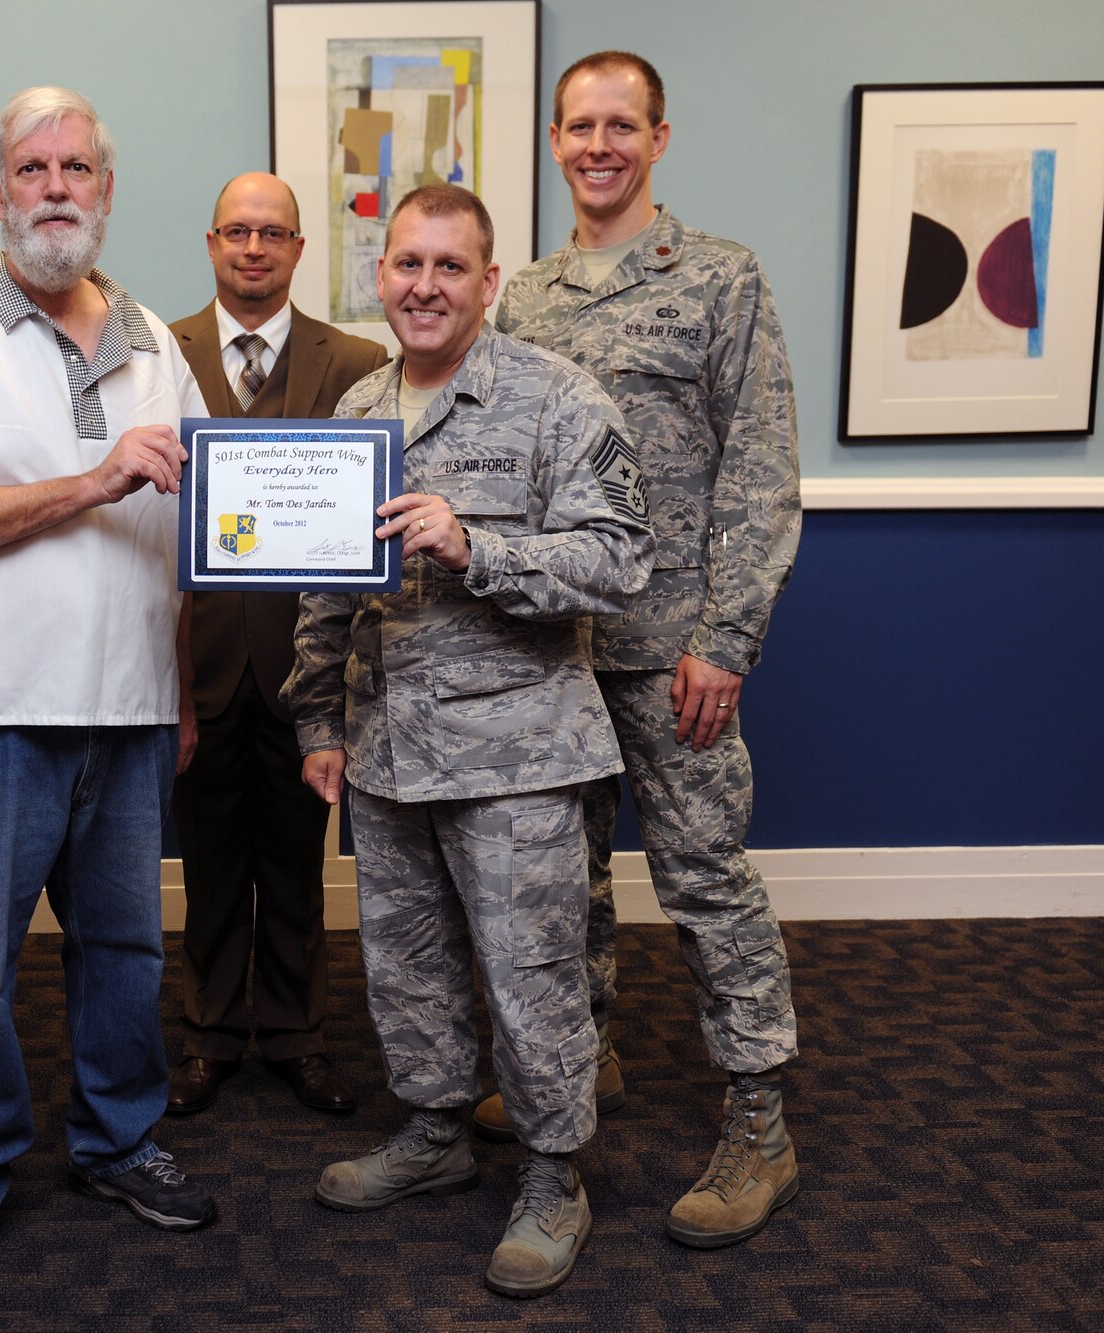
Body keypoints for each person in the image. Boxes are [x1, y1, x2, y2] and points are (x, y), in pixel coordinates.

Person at [0, 86, 215, 1303]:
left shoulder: (159, 343)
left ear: (105, 193)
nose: (55, 184)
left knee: (121, 948)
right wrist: (88, 479)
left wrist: (175, 688)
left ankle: (117, 1139)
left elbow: (205, 524)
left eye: (77, 166)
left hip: (122, 709)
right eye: (31, 166)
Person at [284, 185, 654, 1299]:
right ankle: (435, 1129)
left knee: (530, 976)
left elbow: (620, 558)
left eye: (451, 266)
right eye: (406, 264)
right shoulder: (354, 416)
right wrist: (314, 717)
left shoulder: (553, 399)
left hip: (519, 756)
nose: (425, 286)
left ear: (488, 283)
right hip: (387, 746)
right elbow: (321, 589)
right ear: (379, 276)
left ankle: (553, 1173)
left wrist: (475, 547)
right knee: (407, 965)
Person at [481, 50, 804, 1250]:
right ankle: (585, 1060)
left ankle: (760, 1122)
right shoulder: (522, 297)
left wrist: (725, 639)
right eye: (579, 126)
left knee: (705, 880)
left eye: (622, 125)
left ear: (658, 138)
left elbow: (760, 470)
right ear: (555, 140)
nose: (598, 145)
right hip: (548, 645)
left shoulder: (719, 280)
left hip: (673, 653)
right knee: (560, 886)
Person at [164, 171, 387, 1118]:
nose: (254, 250)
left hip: (312, 671)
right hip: (195, 661)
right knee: (209, 862)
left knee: (299, 864)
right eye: (236, 232)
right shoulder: (154, 354)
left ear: (299, 250)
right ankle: (212, 1035)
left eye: (274, 235)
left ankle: (298, 1035)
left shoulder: (358, 362)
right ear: (211, 243)